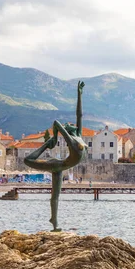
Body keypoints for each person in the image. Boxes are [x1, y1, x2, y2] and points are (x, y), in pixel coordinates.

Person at [24, 81, 87, 232]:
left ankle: (54, 221)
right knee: (27, 160)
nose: (70, 124)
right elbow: (56, 123)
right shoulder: (71, 140)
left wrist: (79, 94)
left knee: (55, 196)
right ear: (68, 130)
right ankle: (46, 145)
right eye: (68, 124)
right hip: (56, 165)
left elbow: (79, 114)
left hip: (61, 166)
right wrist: (54, 138)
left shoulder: (78, 135)